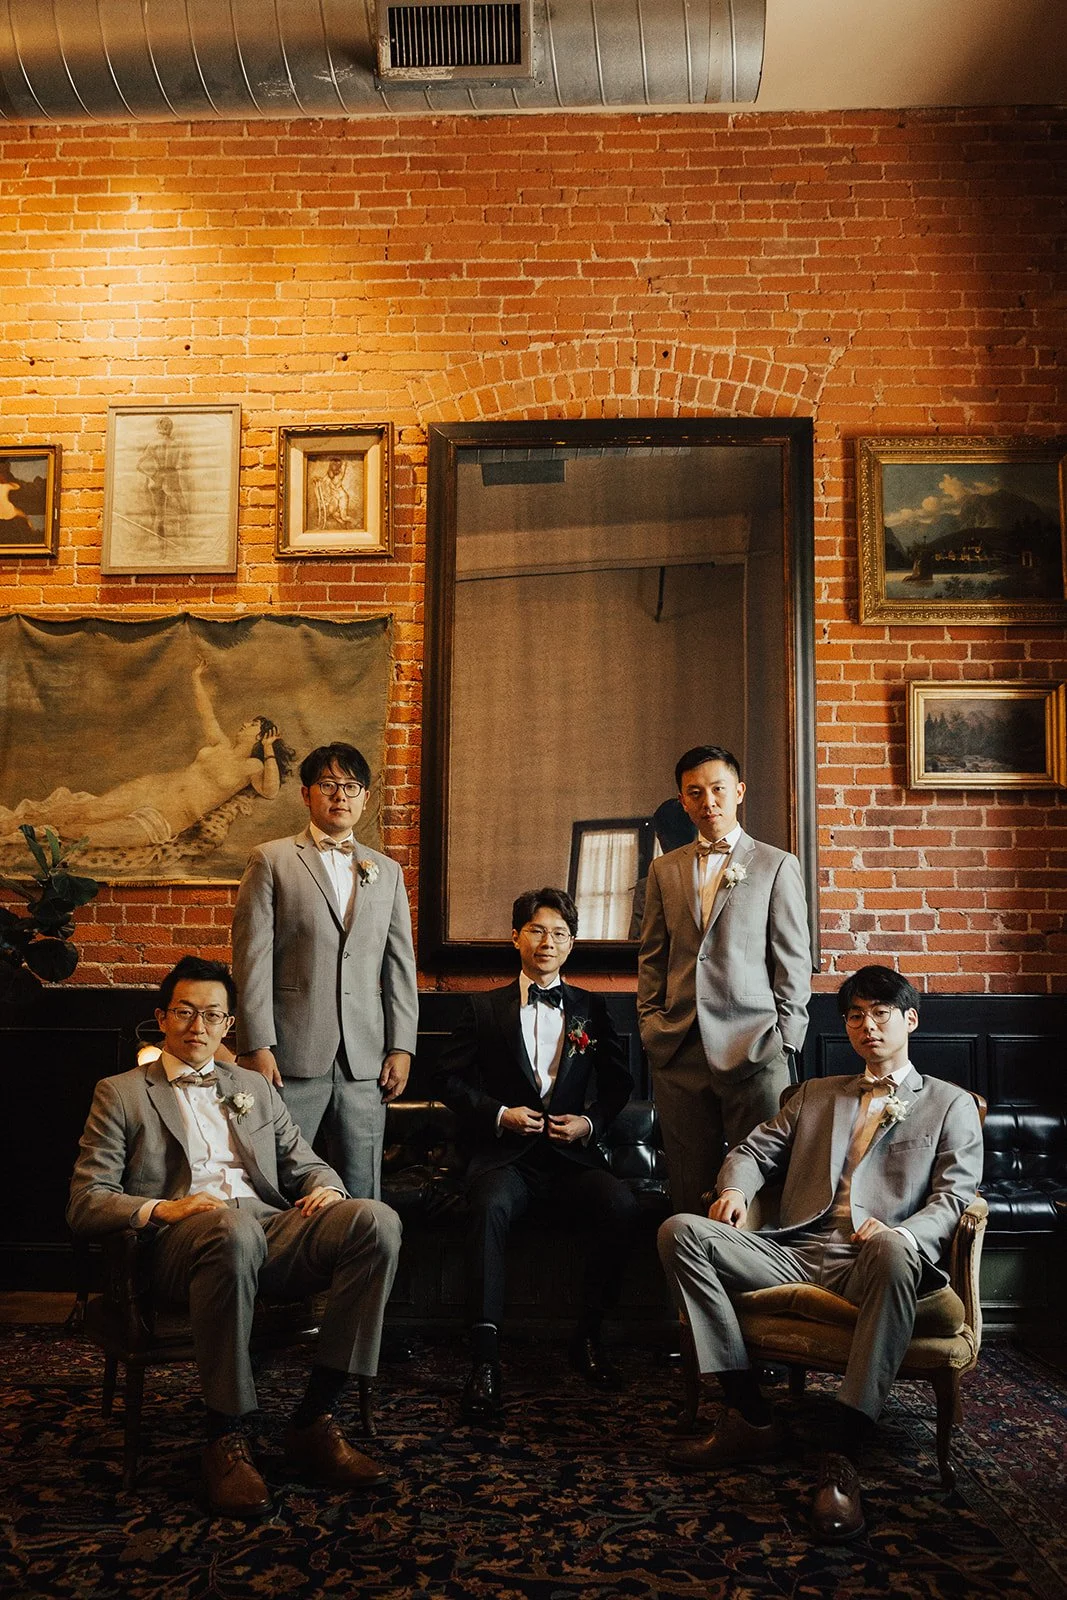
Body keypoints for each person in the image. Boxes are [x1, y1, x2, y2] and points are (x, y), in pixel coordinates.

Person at [657, 965, 984, 1542]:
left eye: (881, 1013)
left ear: (910, 1019)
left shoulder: (949, 1103)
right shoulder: (815, 1095)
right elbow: (753, 1151)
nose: (867, 1026)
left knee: (893, 1251)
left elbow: (955, 1197)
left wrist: (905, 1233)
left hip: (876, 1259)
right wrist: (736, 1189)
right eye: (855, 1016)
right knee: (680, 1230)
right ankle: (750, 1414)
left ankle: (843, 1454)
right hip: (796, 1247)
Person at [67, 956, 401, 1519]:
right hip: (183, 1240)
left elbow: (305, 1163)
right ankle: (225, 1435)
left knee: (376, 1220)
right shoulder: (121, 1092)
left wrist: (327, 1188)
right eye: (185, 1012)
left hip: (269, 1229)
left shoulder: (254, 1087)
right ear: (162, 1018)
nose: (198, 1027)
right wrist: (163, 1208)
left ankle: (315, 1419)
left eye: (213, 1015)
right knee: (231, 1228)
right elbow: (86, 1200)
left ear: (228, 1024)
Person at [433, 887, 641, 1422]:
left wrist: (589, 1123)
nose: (548, 942)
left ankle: (588, 1338)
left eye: (559, 934)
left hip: (570, 1160)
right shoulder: (483, 1008)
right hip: (506, 1159)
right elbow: (447, 1080)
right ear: (516, 938)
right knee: (488, 1208)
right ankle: (484, 1359)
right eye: (537, 931)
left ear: (571, 945)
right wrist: (499, 1113)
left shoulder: (591, 1008)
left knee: (620, 1205)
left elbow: (620, 1083)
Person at [232, 741, 418, 1201]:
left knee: (362, 1189)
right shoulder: (271, 859)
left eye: (351, 786)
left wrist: (402, 1046)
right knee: (278, 1183)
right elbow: (251, 959)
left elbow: (399, 964)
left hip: (366, 1061)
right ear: (306, 794)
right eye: (329, 785)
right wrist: (256, 1045)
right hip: (289, 1057)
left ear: (365, 798)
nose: (340, 796)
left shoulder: (387, 871)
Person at [637, 744, 811, 1216]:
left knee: (764, 1184)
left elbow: (793, 962)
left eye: (717, 789)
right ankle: (691, 1265)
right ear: (683, 801)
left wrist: (786, 1041)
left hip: (756, 1048)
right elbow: (652, 958)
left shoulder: (776, 864)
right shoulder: (663, 870)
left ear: (739, 791)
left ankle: (759, 1268)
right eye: (695, 793)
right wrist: (652, 1027)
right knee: (688, 1183)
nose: (708, 801)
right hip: (679, 1048)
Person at [0, 657, 292, 850]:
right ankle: (10, 825)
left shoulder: (253, 766)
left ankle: (31, 833)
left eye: (252, 724)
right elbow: (207, 714)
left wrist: (268, 750)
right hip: (150, 789)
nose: (244, 724)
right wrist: (196, 678)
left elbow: (270, 791)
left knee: (79, 833)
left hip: (165, 817)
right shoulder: (221, 745)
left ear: (260, 735)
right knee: (85, 810)